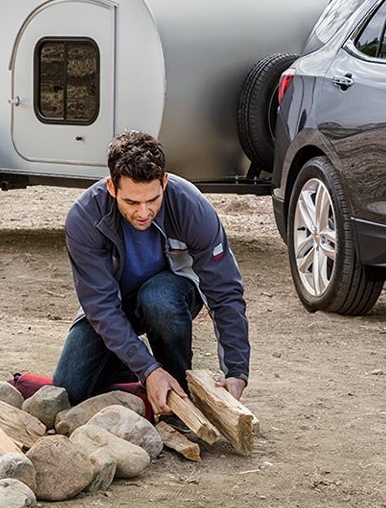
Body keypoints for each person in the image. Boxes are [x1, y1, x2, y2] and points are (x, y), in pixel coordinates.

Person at [53, 131, 251, 413]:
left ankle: (180, 390)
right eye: (132, 202)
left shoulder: (192, 207)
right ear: (112, 187)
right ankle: (144, 368)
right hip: (116, 303)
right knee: (71, 387)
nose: (144, 212)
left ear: (164, 181)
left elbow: (224, 291)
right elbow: (101, 306)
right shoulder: (85, 217)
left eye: (153, 200)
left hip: (173, 295)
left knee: (158, 298)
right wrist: (147, 369)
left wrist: (236, 370)